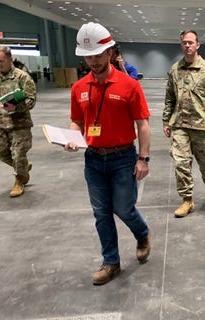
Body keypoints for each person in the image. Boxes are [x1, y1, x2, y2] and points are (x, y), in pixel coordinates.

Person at [65, 22, 152, 285]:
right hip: (93, 158)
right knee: (102, 212)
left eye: (97, 55)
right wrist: (71, 139)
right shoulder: (78, 88)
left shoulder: (129, 85)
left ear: (110, 53)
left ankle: (142, 232)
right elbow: (77, 122)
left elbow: (143, 124)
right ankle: (111, 261)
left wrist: (143, 158)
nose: (92, 61)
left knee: (124, 208)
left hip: (123, 157)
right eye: (87, 56)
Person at [163, 30, 205, 218]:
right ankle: (187, 200)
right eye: (184, 42)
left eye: (191, 42)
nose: (187, 45)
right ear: (181, 45)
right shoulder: (175, 69)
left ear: (198, 45)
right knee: (181, 163)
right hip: (180, 125)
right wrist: (167, 120)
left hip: (203, 126)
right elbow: (170, 98)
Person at [0, 46, 36, 197]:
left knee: (18, 154)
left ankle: (20, 179)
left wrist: (17, 107)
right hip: (0, 122)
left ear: (10, 59)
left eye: (1, 60)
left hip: (20, 123)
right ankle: (22, 166)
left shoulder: (22, 77)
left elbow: (31, 100)